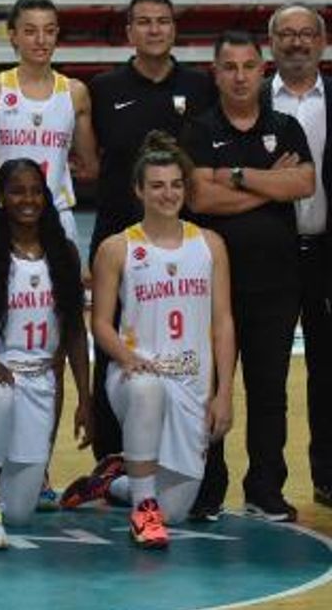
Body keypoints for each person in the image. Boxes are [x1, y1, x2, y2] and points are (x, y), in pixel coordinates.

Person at [63, 132, 235, 548]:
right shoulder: (117, 248)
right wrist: (126, 357)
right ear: (139, 190)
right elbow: (100, 323)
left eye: (175, 185)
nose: (168, 194)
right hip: (134, 377)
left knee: (175, 510)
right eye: (157, 185)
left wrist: (225, 393)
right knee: (147, 388)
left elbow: (223, 323)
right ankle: (142, 513)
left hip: (191, 382)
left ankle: (114, 483)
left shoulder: (210, 245)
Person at [182, 31, 316, 523]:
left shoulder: (286, 126)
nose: (240, 76)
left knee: (269, 391)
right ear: (215, 74)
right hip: (213, 287)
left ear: (263, 71)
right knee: (208, 386)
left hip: (277, 283)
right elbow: (200, 198)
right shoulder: (198, 130)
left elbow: (304, 182)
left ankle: (264, 488)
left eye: (248, 66)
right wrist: (270, 184)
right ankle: (207, 489)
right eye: (230, 67)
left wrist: (235, 175)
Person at [85, 0, 217, 463]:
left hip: (181, 240)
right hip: (118, 239)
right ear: (129, 32)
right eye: (144, 22)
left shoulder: (201, 86)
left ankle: (191, 455)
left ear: (174, 29)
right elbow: (89, 161)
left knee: (189, 342)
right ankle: (110, 460)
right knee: (113, 342)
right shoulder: (104, 88)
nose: (154, 29)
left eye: (163, 21)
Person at [0, 159, 91, 549]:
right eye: (17, 191)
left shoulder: (64, 253)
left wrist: (84, 397)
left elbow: (75, 331)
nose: (28, 199)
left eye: (35, 191)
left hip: (37, 378)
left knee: (21, 513)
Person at [0, 0, 99, 242]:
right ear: (12, 35)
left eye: (49, 31)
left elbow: (90, 166)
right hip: (1, 216)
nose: (41, 40)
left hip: (56, 215)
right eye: (30, 31)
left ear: (57, 34)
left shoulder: (75, 94)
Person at [263, 4, 331, 507]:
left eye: (307, 33)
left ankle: (328, 477)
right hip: (269, 253)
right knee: (266, 374)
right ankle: (266, 484)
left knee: (329, 372)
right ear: (272, 43)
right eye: (286, 34)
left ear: (322, 42)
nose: (297, 42)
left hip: (327, 253)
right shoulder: (251, 101)